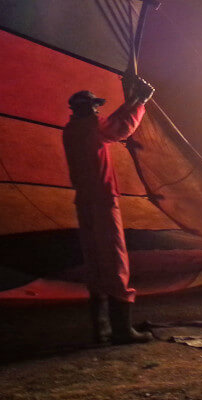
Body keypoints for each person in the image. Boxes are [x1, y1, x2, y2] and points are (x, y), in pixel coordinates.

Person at [62, 75, 155, 345]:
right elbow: (121, 128)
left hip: (84, 201)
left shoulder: (71, 129)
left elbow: (108, 124)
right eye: (93, 107)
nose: (95, 111)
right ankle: (123, 330)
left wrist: (134, 100)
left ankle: (100, 329)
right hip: (103, 199)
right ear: (86, 109)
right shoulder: (93, 126)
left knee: (94, 261)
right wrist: (140, 103)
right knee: (115, 259)